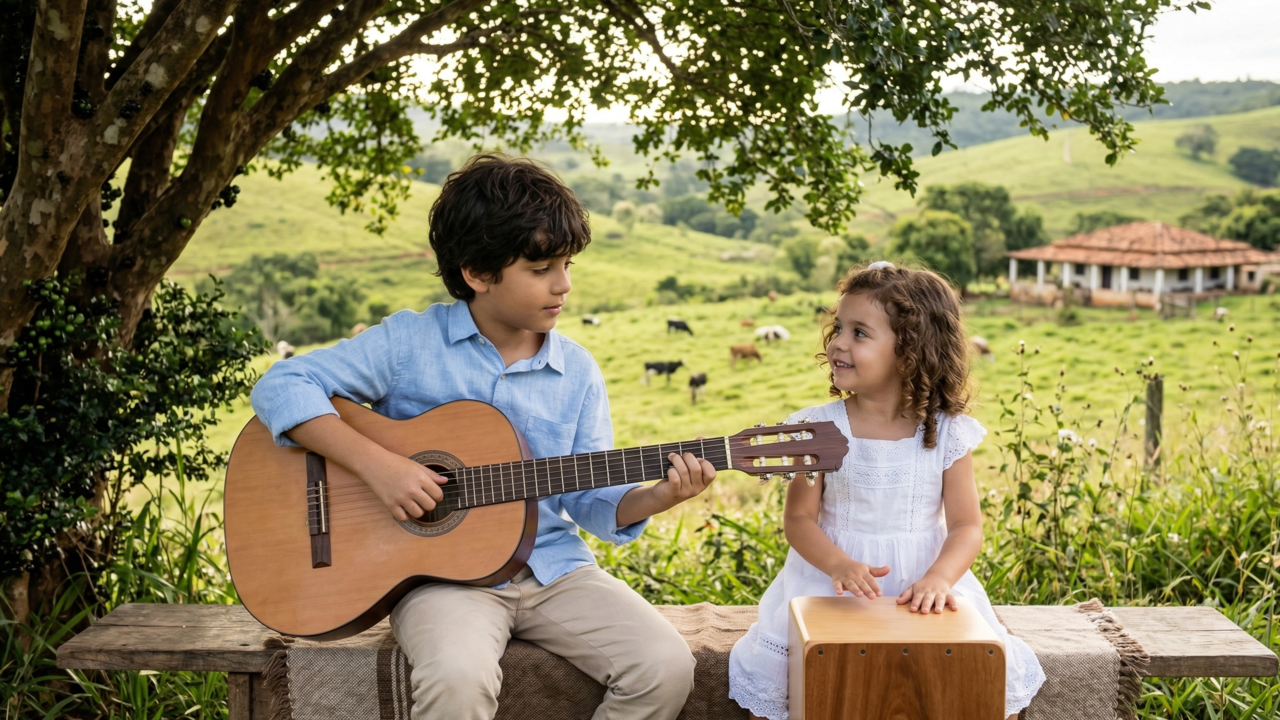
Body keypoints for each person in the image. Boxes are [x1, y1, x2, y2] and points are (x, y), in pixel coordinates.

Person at [250, 153, 716, 720]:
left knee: (665, 666)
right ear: (477, 272)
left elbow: (587, 500)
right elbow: (284, 383)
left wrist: (659, 495)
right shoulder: (408, 344)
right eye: (541, 269)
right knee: (458, 679)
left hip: (552, 569)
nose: (564, 286)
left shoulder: (579, 371)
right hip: (439, 582)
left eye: (568, 265)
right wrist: (380, 467)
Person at [726, 261, 1045, 720]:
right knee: (788, 688)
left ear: (910, 351)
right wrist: (838, 563)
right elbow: (798, 520)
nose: (837, 342)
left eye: (859, 333)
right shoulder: (818, 430)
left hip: (924, 585)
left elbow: (966, 526)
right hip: (831, 584)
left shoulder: (946, 432)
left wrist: (939, 578)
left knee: (986, 686)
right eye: (839, 327)